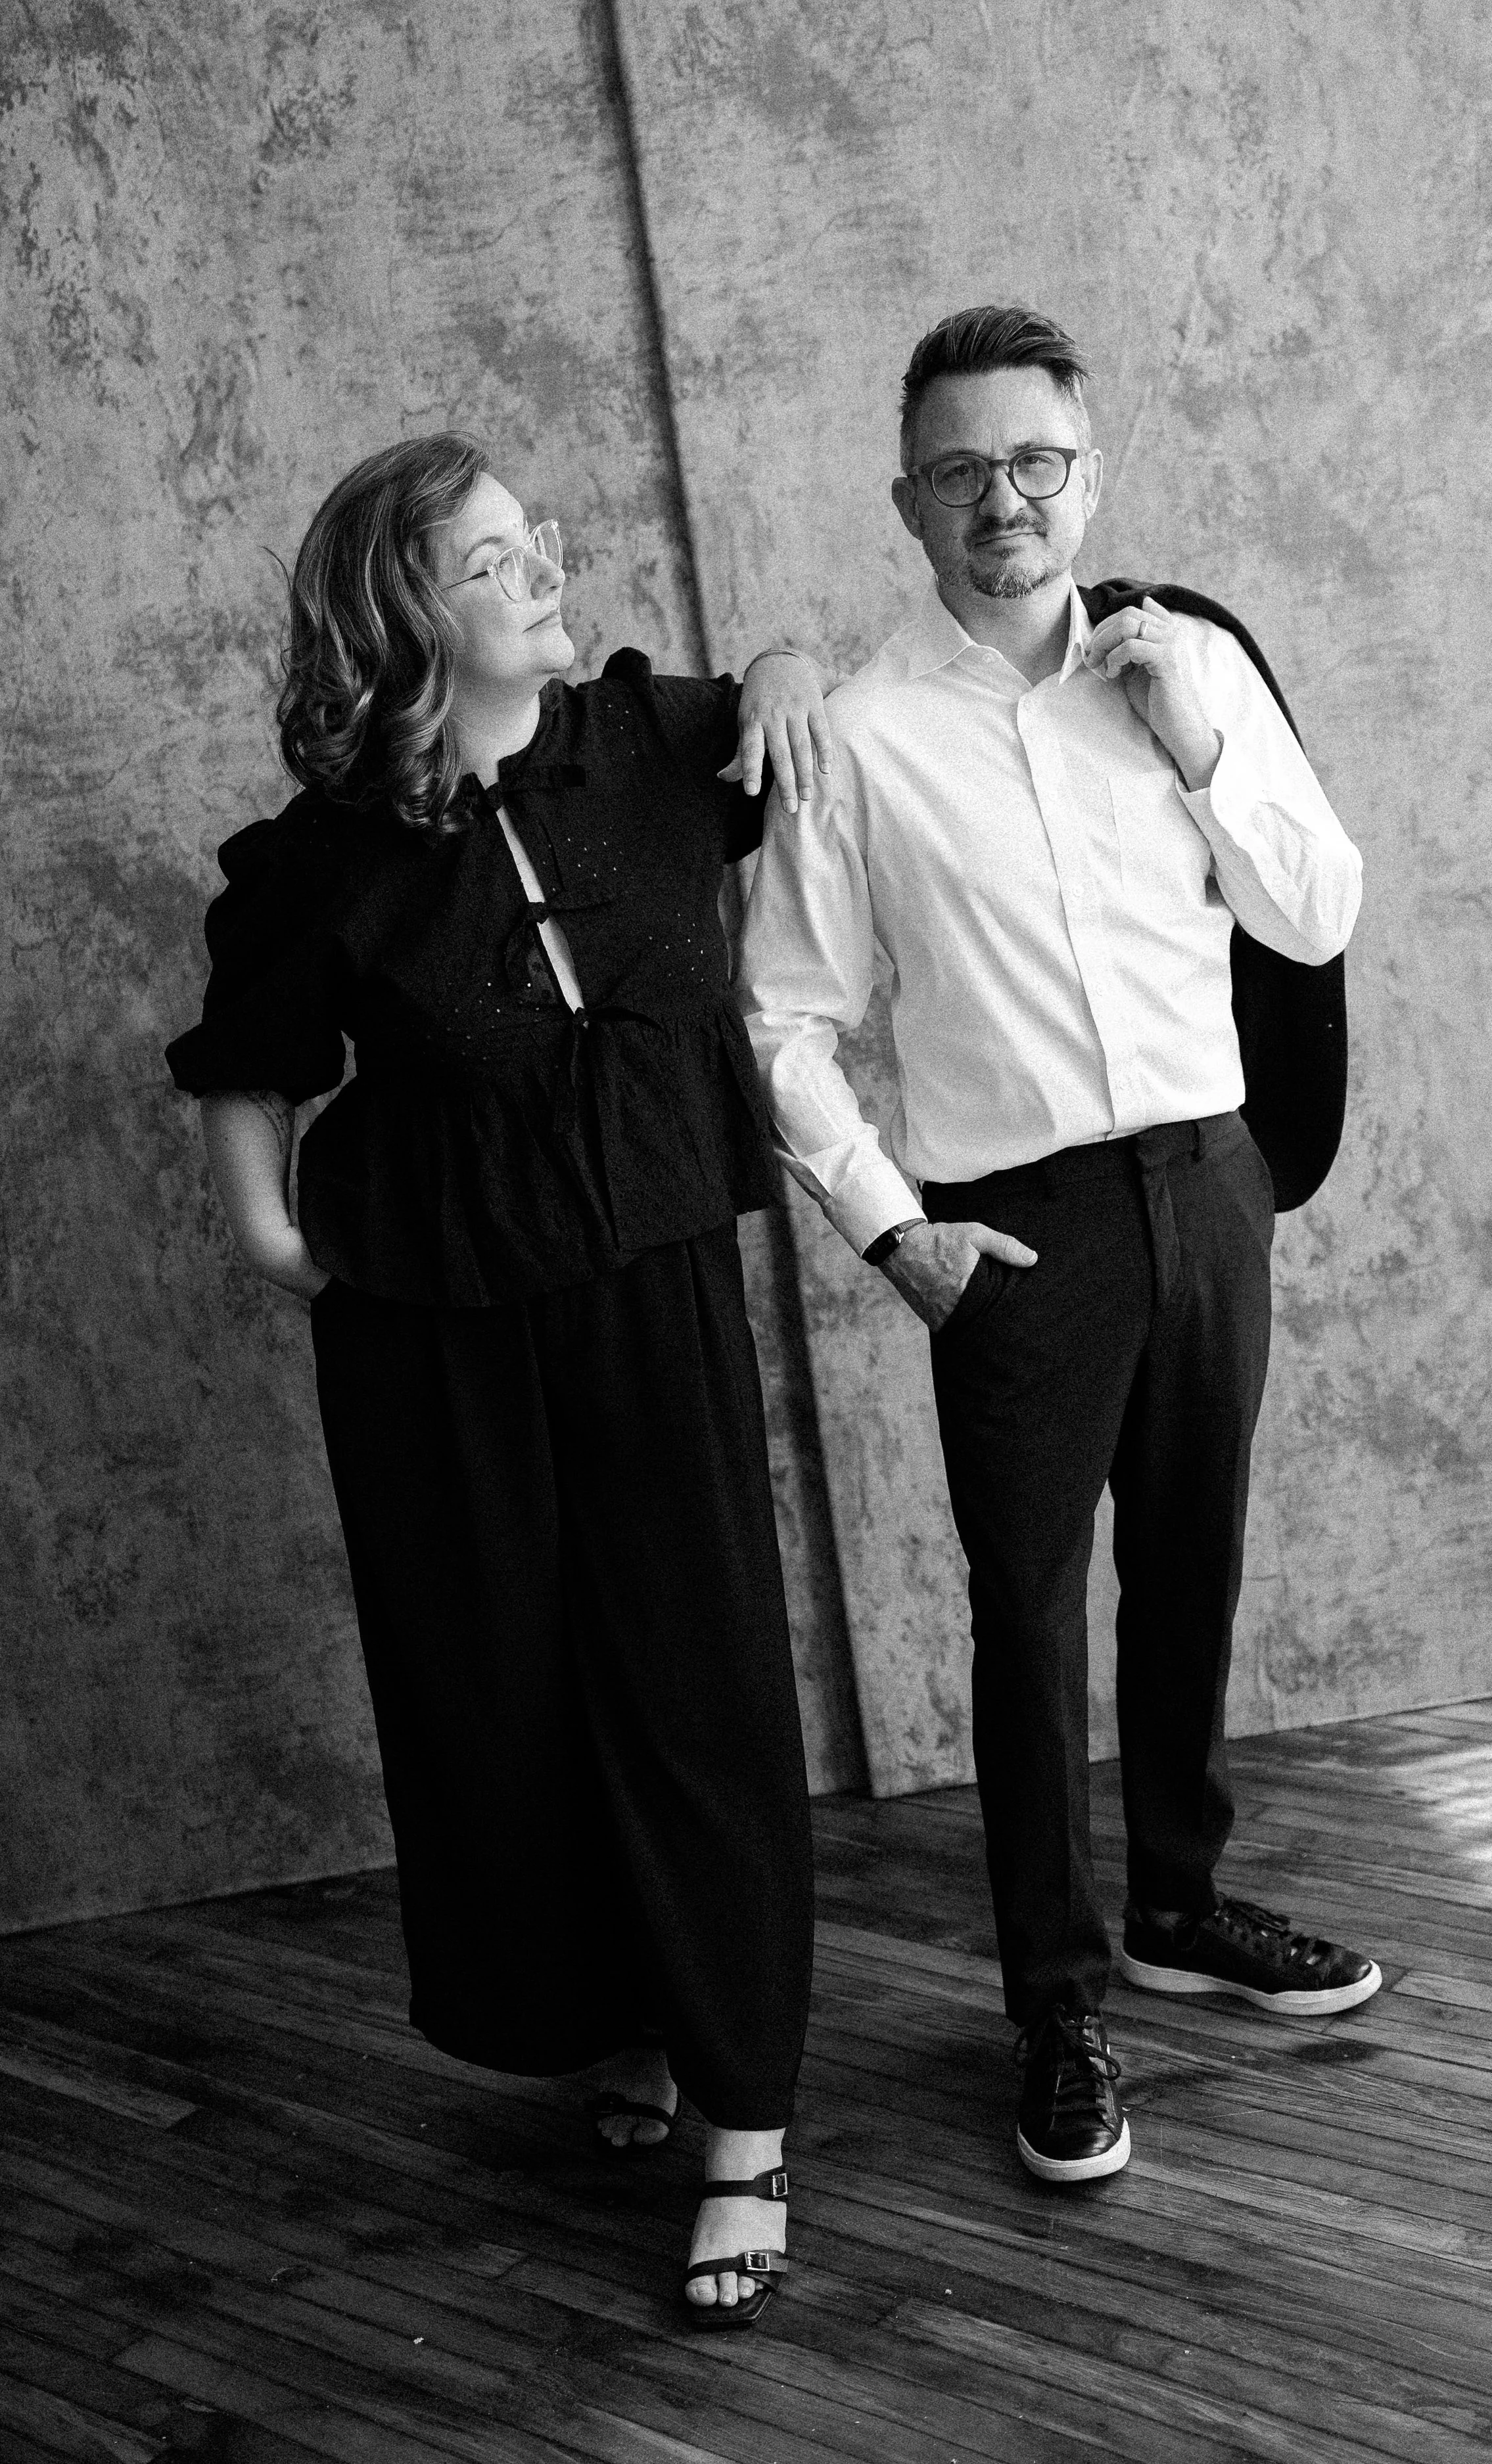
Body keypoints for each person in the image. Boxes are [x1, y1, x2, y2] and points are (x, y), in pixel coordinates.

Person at [166, 433, 831, 2323]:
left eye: (539, 539)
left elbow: (791, 686)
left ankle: (743, 2120)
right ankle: (613, 2027)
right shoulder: (325, 859)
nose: (547, 567)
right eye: (493, 555)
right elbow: (245, 1058)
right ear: (404, 614)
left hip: (649, 1287)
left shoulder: (649, 744)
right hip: (433, 1317)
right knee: (504, 1689)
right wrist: (275, 1237)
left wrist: (779, 663)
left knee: (694, 1680)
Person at [737, 306, 1380, 2188]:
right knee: (1025, 1622)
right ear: (906, 502)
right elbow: (779, 1017)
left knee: (1192, 1558)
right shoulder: (856, 736)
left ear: (1084, 477)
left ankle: (1181, 1903)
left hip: (1204, 1183)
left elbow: (1315, 903)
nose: (1000, 501)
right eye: (958, 471)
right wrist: (891, 1229)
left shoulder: (1189, 669)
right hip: (1009, 1228)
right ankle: (1055, 1999)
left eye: (1034, 464)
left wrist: (1198, 746)